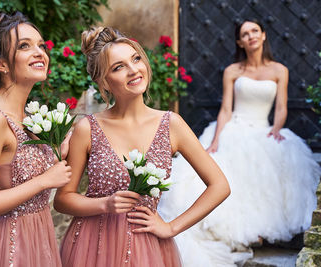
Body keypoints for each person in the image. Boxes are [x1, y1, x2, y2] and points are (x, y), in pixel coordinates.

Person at [53, 26, 231, 267]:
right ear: (103, 81)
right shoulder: (87, 128)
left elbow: (220, 186)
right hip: (91, 246)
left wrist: (171, 227)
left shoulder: (172, 124)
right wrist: (103, 204)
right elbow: (63, 199)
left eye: (136, 59)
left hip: (146, 245)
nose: (133, 70)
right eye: (118, 67)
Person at [158, 19, 321, 266]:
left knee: (274, 161)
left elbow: (281, 107)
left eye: (255, 31)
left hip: (264, 129)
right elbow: (225, 109)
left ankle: (263, 231)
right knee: (221, 164)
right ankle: (242, 232)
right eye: (245, 34)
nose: (251, 36)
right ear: (239, 42)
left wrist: (276, 130)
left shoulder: (279, 70)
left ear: (264, 35)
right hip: (235, 127)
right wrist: (215, 140)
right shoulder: (233, 71)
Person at [0, 12, 72, 266]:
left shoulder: (29, 115)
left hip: (37, 243)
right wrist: (44, 181)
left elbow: (19, 168)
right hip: (4, 249)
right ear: (2, 64)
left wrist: (60, 150)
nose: (39, 52)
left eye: (41, 45)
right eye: (24, 46)